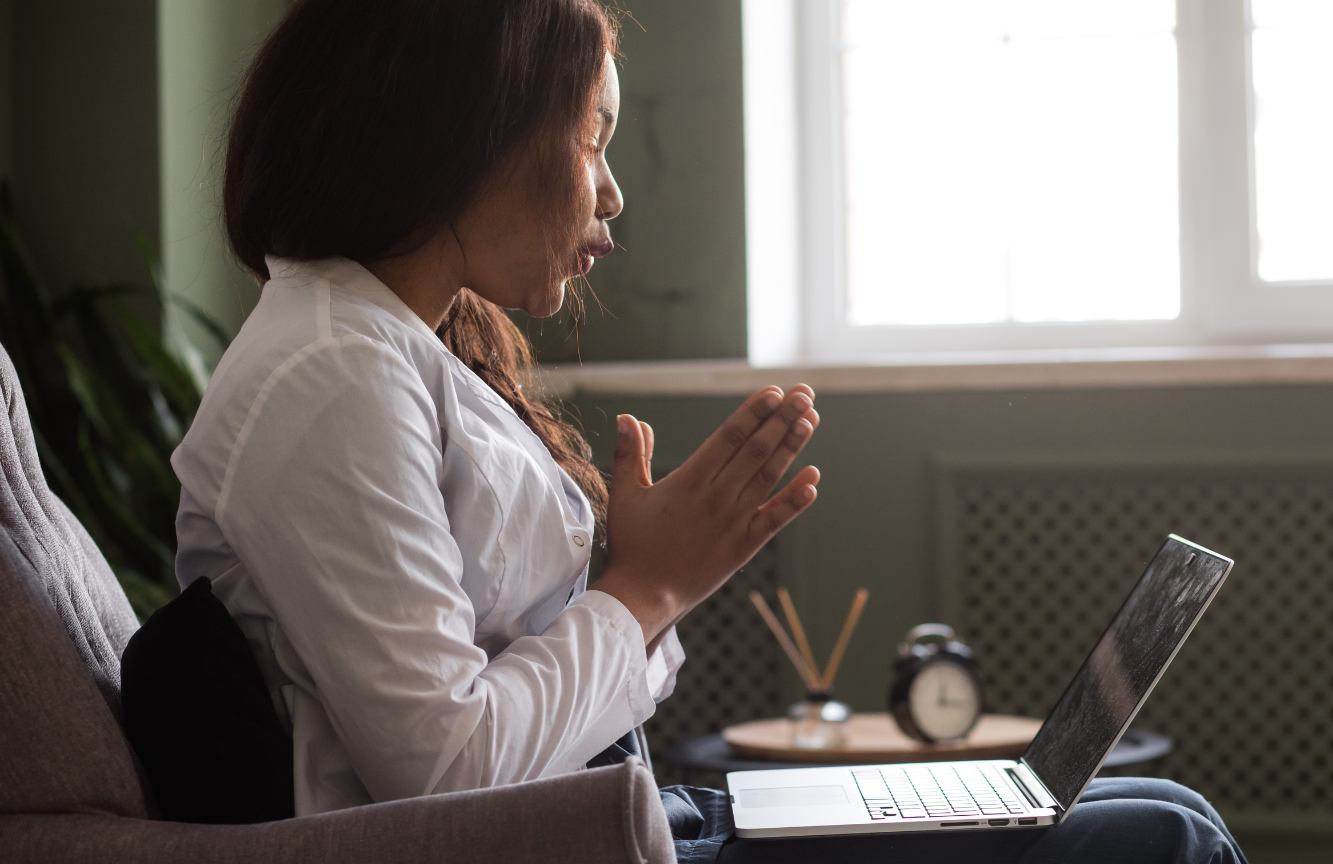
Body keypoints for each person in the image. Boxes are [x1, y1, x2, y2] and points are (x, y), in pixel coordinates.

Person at [174, 1, 1246, 862]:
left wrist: (648, 587)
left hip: (627, 816)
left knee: (1154, 803)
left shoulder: (390, 351)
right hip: (577, 837)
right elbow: (450, 778)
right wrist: (647, 588)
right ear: (466, 132)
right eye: (591, 136)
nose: (613, 191)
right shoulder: (330, 376)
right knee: (1166, 836)